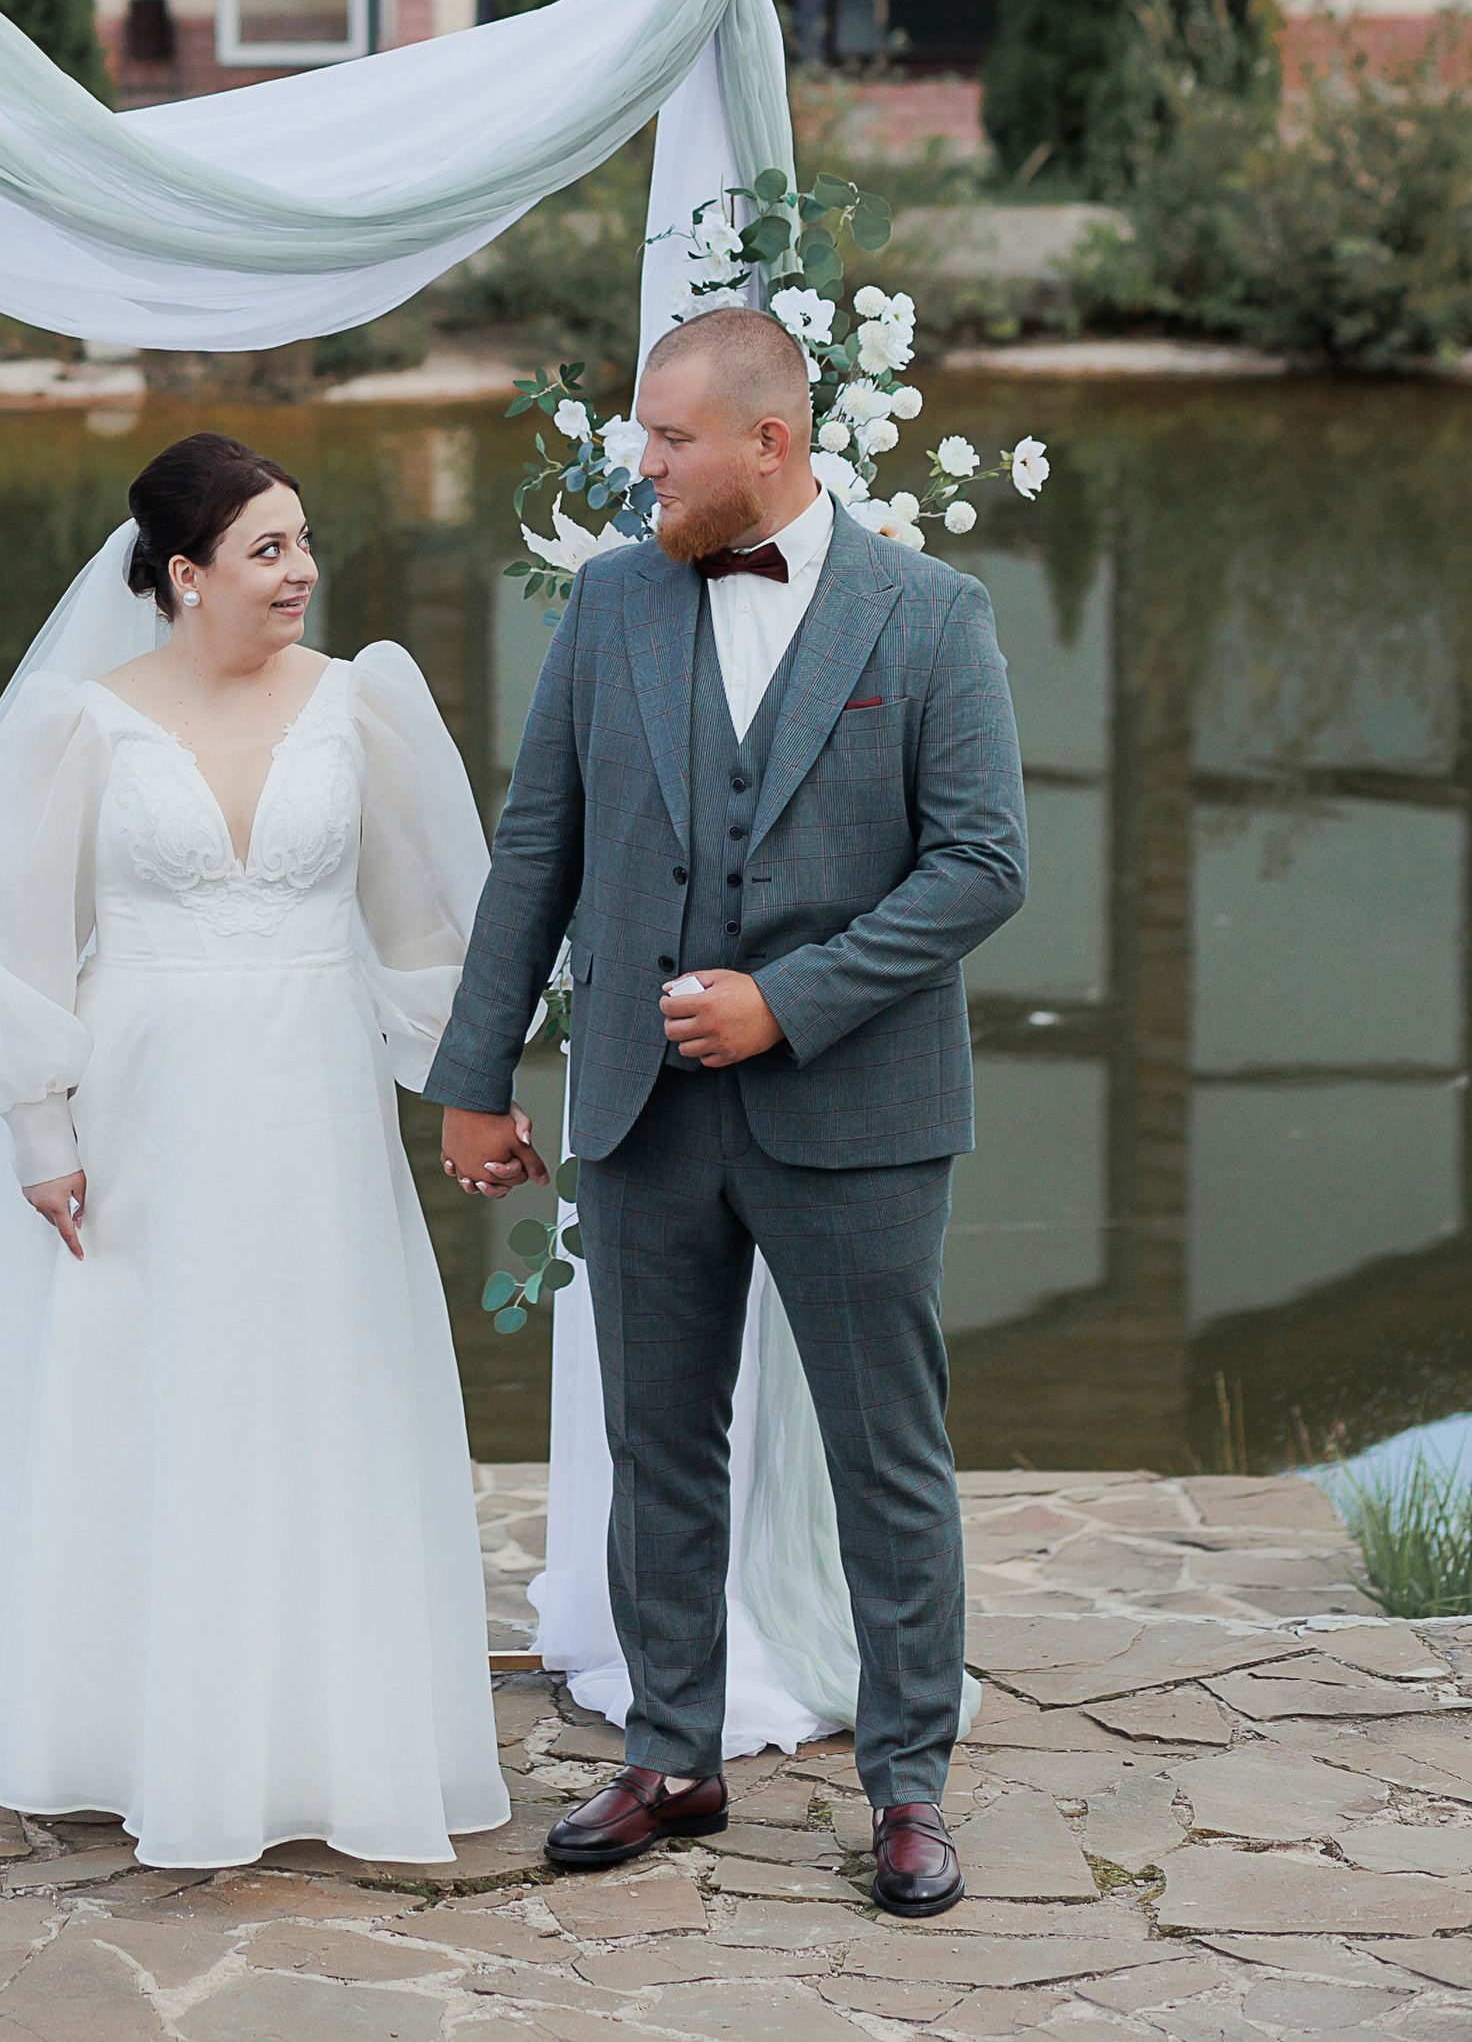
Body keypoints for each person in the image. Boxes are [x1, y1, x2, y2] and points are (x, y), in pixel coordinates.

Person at [425, 307, 1026, 1922]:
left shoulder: (932, 617)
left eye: (669, 440)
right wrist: (474, 1076)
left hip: (861, 1110)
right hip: (638, 1109)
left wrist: (791, 999)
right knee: (655, 1446)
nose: (643, 466)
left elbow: (983, 865)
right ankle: (671, 1750)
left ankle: (908, 1786)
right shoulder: (612, 604)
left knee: (884, 1454)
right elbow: (535, 847)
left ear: (768, 443)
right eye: (643, 435)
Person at [0, 431, 510, 1871]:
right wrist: (40, 1131)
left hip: (312, 1096)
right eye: (268, 549)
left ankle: (325, 1740)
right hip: (142, 1099)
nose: (302, 572)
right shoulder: (78, 725)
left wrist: (465, 1091)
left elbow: (425, 922)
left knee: (314, 1382)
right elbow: (13, 939)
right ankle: (130, 1735)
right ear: (184, 576)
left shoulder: (366, 705)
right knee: (147, 1392)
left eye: (303, 542)